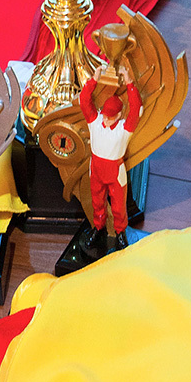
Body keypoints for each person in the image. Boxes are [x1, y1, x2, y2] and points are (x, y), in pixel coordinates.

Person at [79, 65, 142, 255]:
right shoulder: (95, 122)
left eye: (110, 116)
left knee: (118, 206)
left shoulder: (124, 129)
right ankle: (98, 228)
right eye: (105, 115)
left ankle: (120, 232)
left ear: (119, 115)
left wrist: (129, 82)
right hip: (97, 169)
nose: (106, 119)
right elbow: (84, 100)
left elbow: (136, 109)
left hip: (115, 172)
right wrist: (94, 80)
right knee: (97, 202)